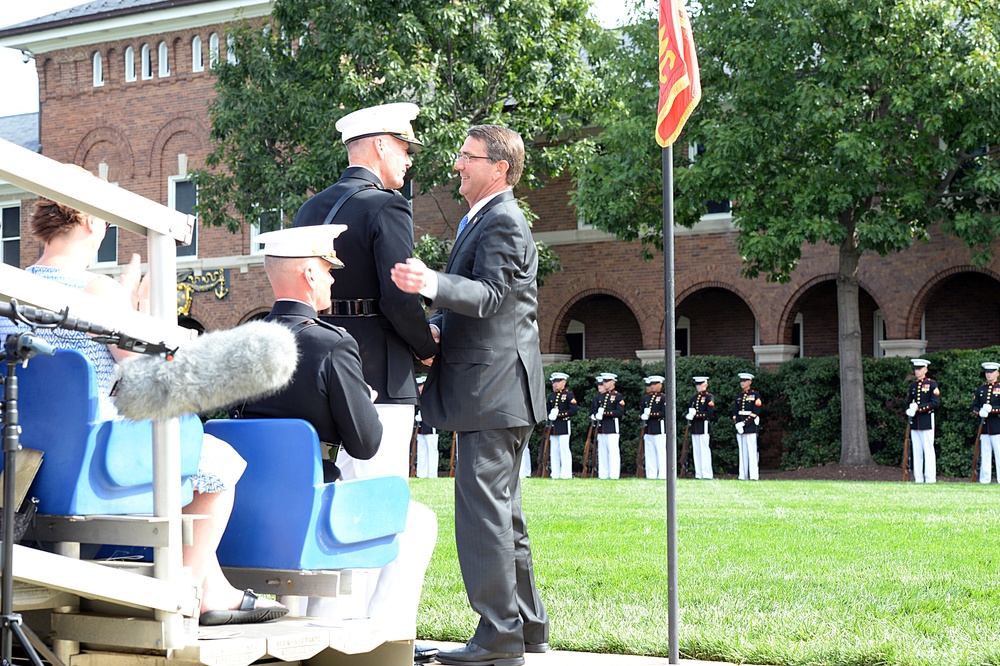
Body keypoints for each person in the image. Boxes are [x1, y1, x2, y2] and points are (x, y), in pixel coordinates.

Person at [0, 195, 286, 626]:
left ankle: (214, 586)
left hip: (20, 462)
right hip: (89, 459)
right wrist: (146, 311)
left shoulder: (12, 289)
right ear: (91, 220)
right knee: (222, 462)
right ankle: (192, 590)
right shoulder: (98, 290)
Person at [238, 225, 438, 663]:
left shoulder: (243, 343)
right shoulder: (331, 345)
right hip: (309, 512)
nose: (333, 279)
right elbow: (366, 443)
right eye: (328, 269)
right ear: (310, 274)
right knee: (419, 521)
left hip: (245, 516)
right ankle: (381, 644)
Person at [390, 125, 549, 666]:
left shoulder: (502, 220)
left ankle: (497, 637)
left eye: (466, 156)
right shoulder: (485, 218)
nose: (456, 164)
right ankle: (527, 629)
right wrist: (438, 323)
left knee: (483, 516)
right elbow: (488, 309)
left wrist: (429, 282)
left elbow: (491, 296)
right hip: (501, 391)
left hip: (492, 392)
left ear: (498, 168)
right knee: (504, 518)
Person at [292, 102, 439, 481]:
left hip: (314, 367)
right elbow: (398, 298)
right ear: (380, 146)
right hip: (378, 373)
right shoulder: (388, 206)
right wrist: (427, 347)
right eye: (404, 149)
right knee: (378, 494)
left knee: (323, 490)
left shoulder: (308, 209)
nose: (408, 161)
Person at [906, 358, 939, 484]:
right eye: (916, 369)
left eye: (920, 369)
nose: (917, 371)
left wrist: (919, 408)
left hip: (926, 419)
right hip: (915, 421)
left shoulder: (932, 384)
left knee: (928, 450)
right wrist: (909, 410)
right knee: (917, 450)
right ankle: (918, 478)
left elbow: (935, 402)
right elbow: (909, 402)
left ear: (925, 370)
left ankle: (930, 478)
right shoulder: (913, 386)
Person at [591, 372, 625, 480]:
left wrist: (605, 413)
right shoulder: (601, 397)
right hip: (601, 428)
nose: (604, 384)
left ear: (613, 382)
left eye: (606, 381)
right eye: (603, 382)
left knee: (613, 452)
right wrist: (595, 415)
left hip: (612, 428)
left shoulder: (618, 396)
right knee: (602, 453)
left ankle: (614, 474)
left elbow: (619, 412)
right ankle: (603, 474)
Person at [546, 371, 578, 479]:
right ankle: (555, 473)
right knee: (553, 451)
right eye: (554, 382)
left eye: (558, 381)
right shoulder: (551, 396)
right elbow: (547, 409)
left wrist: (559, 414)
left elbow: (573, 410)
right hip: (553, 426)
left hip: (563, 424)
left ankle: (566, 474)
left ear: (564, 382)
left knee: (564, 450)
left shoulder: (569, 395)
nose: (555, 384)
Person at [972, 362, 1000, 484]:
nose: (989, 375)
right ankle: (985, 479)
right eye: (987, 372)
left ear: (997, 373)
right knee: (985, 453)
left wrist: (992, 410)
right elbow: (974, 407)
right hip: (984, 427)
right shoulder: (981, 389)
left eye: (991, 372)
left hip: (997, 426)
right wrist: (979, 412)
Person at [732, 372, 762, 481]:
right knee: (742, 451)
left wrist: (744, 423)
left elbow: (755, 411)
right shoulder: (739, 396)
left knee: (752, 451)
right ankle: (742, 475)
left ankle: (754, 475)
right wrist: (737, 424)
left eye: (744, 381)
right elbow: (735, 412)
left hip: (750, 426)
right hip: (740, 426)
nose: (742, 383)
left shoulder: (755, 395)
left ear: (750, 382)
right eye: (741, 381)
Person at [686, 376, 715, 480]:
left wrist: (696, 414)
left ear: (706, 384)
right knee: (696, 451)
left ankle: (707, 473)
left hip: (704, 426)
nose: (698, 386)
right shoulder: (693, 398)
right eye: (697, 384)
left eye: (700, 384)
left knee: (704, 450)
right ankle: (698, 473)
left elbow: (709, 413)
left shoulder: (709, 397)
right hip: (695, 427)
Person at [640, 375, 667, 479]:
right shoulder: (646, 398)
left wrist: (651, 414)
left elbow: (664, 413)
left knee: (661, 453)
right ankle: (651, 474)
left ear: (660, 385)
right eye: (651, 384)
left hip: (659, 429)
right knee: (650, 454)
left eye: (655, 384)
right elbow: (641, 412)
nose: (652, 386)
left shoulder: (663, 398)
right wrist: (642, 415)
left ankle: (663, 474)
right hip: (648, 429)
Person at [414, 376, 439, 478]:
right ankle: (421, 473)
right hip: (421, 428)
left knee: (432, 451)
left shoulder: (431, 397)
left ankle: (432, 474)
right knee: (422, 451)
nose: (419, 388)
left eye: (420, 386)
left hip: (431, 426)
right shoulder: (419, 398)